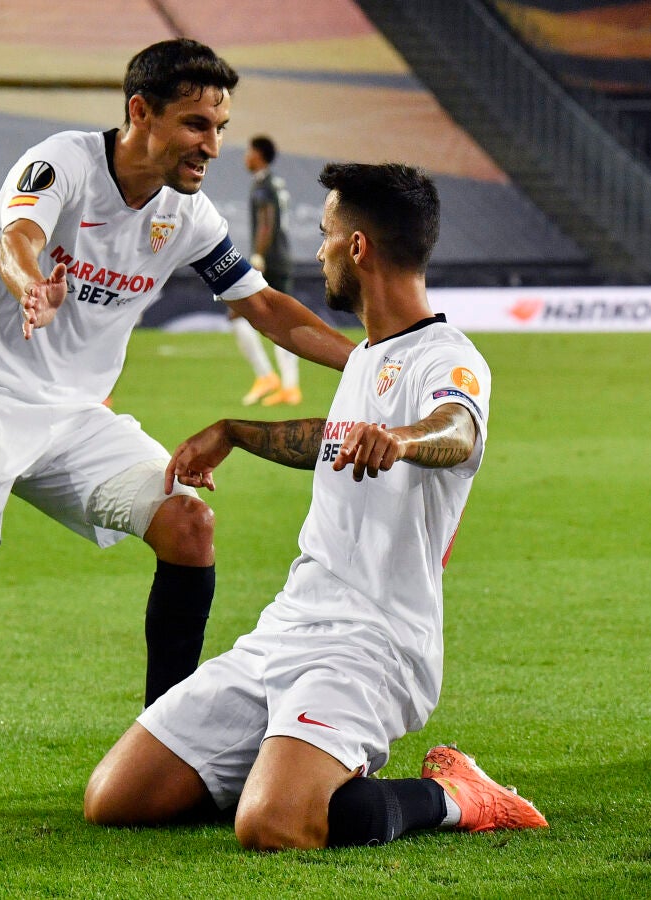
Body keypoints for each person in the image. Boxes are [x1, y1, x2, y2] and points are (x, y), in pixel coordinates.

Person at [0, 39, 356, 823]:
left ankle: (168, 755)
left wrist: (370, 363)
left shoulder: (188, 215)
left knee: (189, 526)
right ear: (141, 111)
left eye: (219, 127)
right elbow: (18, 239)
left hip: (76, 415)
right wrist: (31, 287)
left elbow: (263, 306)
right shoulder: (62, 164)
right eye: (195, 124)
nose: (212, 145)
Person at [82, 162, 547, 851]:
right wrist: (236, 432)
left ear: (358, 247)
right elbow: (334, 442)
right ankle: (294, 768)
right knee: (117, 798)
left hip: (373, 645)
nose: (321, 250)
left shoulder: (448, 358)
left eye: (328, 234)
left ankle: (456, 795)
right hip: (289, 626)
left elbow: (459, 430)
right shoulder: (366, 358)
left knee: (273, 825)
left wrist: (403, 439)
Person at [236, 134, 303, 406]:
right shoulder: (275, 183)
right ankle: (289, 387)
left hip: (269, 261)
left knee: (238, 313)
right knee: (281, 321)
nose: (245, 157)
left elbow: (267, 222)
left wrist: (258, 256)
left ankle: (267, 377)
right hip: (281, 258)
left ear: (259, 155)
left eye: (249, 151)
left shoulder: (263, 185)